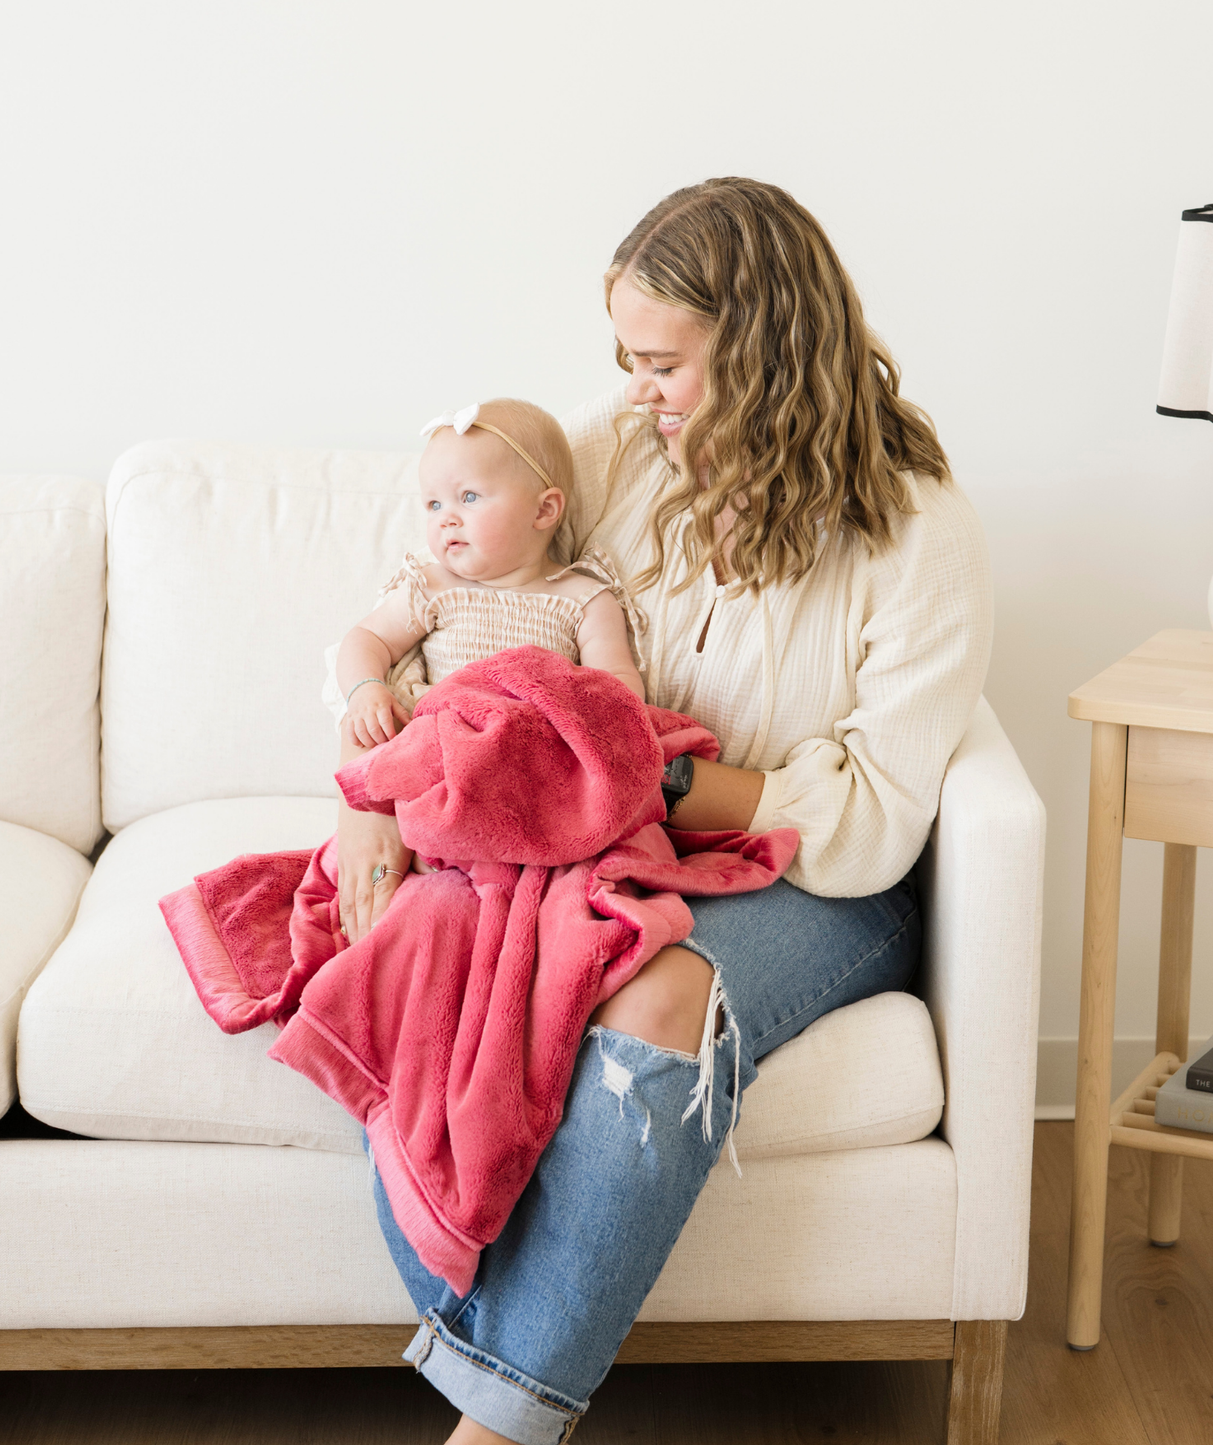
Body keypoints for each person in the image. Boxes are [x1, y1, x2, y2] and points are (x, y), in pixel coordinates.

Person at [334, 177, 993, 1445]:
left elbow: (874, 813)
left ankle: (495, 1428)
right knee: (454, 967)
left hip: (806, 880)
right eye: (625, 359)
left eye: (662, 361)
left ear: (759, 345)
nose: (638, 388)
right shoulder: (618, 453)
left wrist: (652, 772)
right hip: (581, 846)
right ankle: (504, 1376)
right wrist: (364, 780)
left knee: (652, 988)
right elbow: (431, 583)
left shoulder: (918, 532)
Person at [333, 396, 644, 766]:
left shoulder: (583, 600)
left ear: (543, 510)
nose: (446, 518)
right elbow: (367, 638)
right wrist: (365, 689)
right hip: (445, 748)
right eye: (434, 504)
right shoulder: (434, 586)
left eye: (468, 497)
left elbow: (616, 682)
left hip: (536, 755)